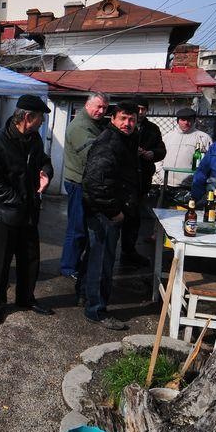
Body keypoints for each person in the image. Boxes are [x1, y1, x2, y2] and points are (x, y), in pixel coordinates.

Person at [0, 94, 54, 325]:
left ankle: (26, 298)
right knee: (1, 262)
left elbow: (44, 160)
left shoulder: (34, 138)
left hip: (29, 212)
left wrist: (46, 173)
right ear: (28, 117)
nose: (42, 122)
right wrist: (18, 200)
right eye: (40, 117)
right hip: (5, 214)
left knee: (30, 258)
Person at [81, 100, 140, 330]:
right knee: (101, 263)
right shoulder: (109, 143)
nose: (128, 123)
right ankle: (96, 310)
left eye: (132, 119)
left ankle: (85, 296)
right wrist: (114, 211)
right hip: (105, 213)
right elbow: (95, 183)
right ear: (113, 119)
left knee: (95, 258)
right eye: (123, 118)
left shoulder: (124, 140)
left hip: (108, 210)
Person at [59, 91, 110, 280]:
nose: (101, 111)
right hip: (78, 183)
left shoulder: (96, 123)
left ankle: (74, 264)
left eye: (104, 108)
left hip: (86, 182)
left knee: (83, 227)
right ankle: (68, 267)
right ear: (87, 105)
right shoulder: (80, 126)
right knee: (77, 227)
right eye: (98, 106)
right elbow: (93, 155)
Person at [120, 96, 165, 268]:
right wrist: (133, 150)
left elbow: (161, 150)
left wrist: (152, 154)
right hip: (123, 179)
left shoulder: (152, 129)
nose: (140, 112)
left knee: (134, 218)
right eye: (137, 108)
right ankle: (107, 251)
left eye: (143, 109)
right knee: (117, 216)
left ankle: (128, 251)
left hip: (142, 179)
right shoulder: (123, 125)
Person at [158, 108, 213, 188]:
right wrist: (160, 172)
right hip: (166, 183)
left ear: (194, 121)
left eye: (189, 120)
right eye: (183, 120)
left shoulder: (203, 138)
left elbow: (208, 162)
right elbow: (159, 156)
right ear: (178, 121)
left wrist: (195, 177)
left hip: (189, 185)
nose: (186, 123)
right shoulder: (168, 136)